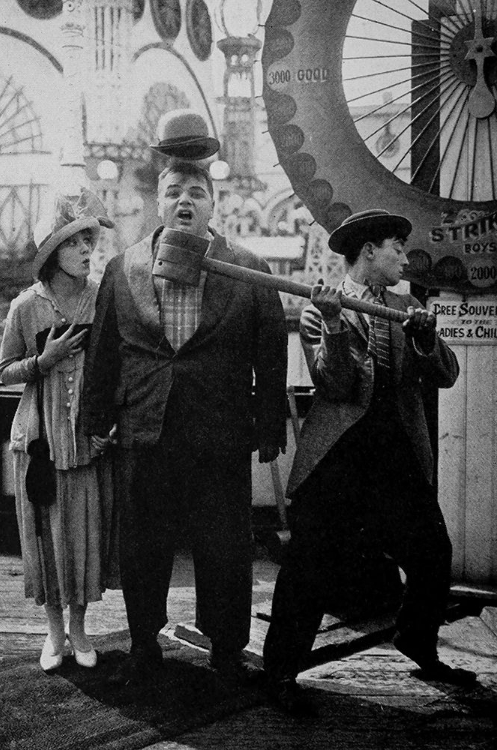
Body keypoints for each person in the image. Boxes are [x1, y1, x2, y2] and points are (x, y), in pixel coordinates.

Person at [82, 160, 288, 684]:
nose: (184, 202)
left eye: (197, 193)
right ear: (159, 202)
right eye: (174, 192)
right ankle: (144, 644)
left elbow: (271, 354)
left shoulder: (248, 268)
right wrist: (94, 417)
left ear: (213, 205)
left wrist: (267, 426)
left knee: (224, 544)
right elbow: (104, 350)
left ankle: (225, 647)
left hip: (219, 431)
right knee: (142, 544)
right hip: (145, 427)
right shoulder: (122, 268)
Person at [263, 209, 476, 715]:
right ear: (367, 253)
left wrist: (425, 337)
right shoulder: (322, 309)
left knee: (432, 554)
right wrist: (334, 325)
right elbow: (336, 386)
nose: (404, 257)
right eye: (396, 248)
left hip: (396, 458)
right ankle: (280, 673)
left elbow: (446, 374)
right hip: (340, 457)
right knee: (307, 567)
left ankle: (417, 642)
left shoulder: (408, 309)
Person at [0, 188, 117, 672]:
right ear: (52, 252)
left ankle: (80, 628)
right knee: (47, 536)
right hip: (40, 440)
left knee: (85, 534)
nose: (87, 251)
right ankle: (53, 631)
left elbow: (118, 366)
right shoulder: (26, 307)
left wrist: (110, 421)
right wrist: (42, 361)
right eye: (76, 243)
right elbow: (5, 369)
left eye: (90, 241)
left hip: (87, 441)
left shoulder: (102, 299)